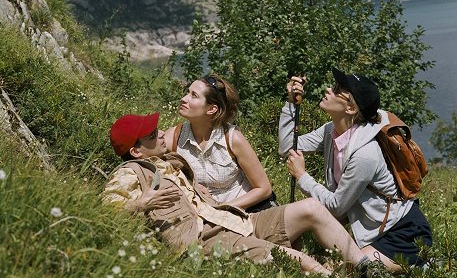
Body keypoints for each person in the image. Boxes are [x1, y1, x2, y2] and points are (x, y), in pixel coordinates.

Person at [103, 112, 373, 275]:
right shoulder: (129, 173)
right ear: (136, 151)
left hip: (232, 219)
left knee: (312, 208)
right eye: (151, 135)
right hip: (209, 238)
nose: (161, 133)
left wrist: (198, 194)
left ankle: (369, 270)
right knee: (300, 260)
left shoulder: (168, 162)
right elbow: (105, 215)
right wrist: (139, 204)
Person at [279, 68, 433, 270]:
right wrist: (291, 103)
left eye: (336, 89)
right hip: (375, 229)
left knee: (348, 269)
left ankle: (421, 263)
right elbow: (287, 148)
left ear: (351, 108)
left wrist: (302, 176)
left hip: (401, 234)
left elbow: (336, 206)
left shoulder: (365, 154)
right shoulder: (330, 131)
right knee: (327, 265)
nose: (328, 89)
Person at [164, 74, 275, 212]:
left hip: (245, 209)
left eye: (194, 95)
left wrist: (221, 209)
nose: (183, 99)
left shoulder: (232, 139)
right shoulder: (174, 136)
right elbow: (142, 158)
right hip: (201, 212)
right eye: (187, 92)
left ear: (211, 109)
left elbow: (264, 189)